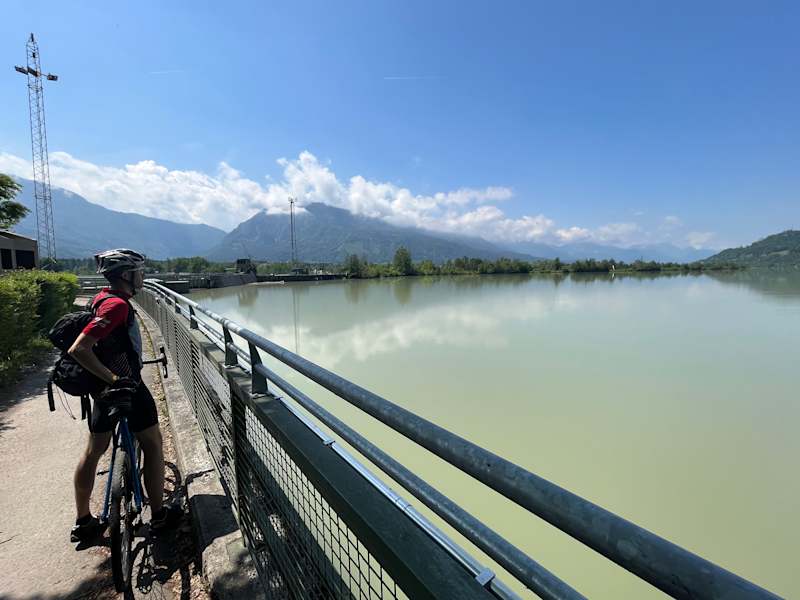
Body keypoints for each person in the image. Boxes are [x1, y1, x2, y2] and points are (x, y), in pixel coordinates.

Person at [68, 248, 180, 542]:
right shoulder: (116, 306)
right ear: (126, 276)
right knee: (154, 445)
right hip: (124, 387)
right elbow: (79, 348)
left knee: (93, 452)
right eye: (140, 272)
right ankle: (158, 516)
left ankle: (84, 522)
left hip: (99, 391)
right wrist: (116, 379)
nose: (143, 276)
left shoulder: (99, 299)